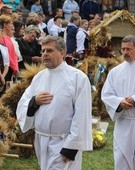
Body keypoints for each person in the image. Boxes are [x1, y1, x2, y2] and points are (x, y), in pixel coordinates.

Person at [16, 35, 92, 170]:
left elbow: (82, 114)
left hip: (63, 142)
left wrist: (72, 147)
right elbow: (24, 102)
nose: (45, 54)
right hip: (41, 140)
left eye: (49, 51)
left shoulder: (77, 78)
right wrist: (34, 102)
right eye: (43, 51)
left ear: (62, 53)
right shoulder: (39, 77)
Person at [101, 35, 135, 170]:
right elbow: (107, 94)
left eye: (129, 49)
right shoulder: (115, 72)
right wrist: (119, 102)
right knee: (121, 159)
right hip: (124, 122)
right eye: (123, 49)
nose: (125, 52)